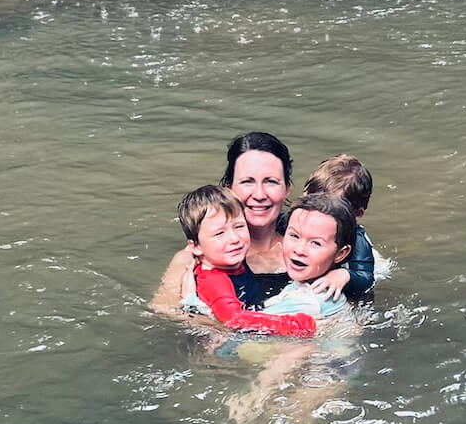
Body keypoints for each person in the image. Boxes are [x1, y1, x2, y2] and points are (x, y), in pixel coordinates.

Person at [152, 131, 293, 314]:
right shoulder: (193, 258)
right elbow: (162, 311)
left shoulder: (307, 248)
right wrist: (199, 313)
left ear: (287, 189)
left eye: (271, 182)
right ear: (229, 189)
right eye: (247, 182)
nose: (259, 195)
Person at [177, 184, 316, 337]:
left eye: (239, 226)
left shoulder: (230, 264)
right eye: (219, 234)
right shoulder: (214, 280)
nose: (234, 239)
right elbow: (235, 320)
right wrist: (296, 325)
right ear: (196, 247)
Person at [265, 193, 356, 320]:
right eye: (294, 236)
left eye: (316, 243)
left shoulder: (310, 301)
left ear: (341, 253)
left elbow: (242, 326)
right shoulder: (310, 287)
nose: (299, 250)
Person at [302, 154, 375, 299]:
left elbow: (366, 279)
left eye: (333, 212)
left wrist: (345, 275)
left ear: (357, 214)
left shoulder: (357, 241)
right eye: (313, 203)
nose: (320, 214)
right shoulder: (298, 221)